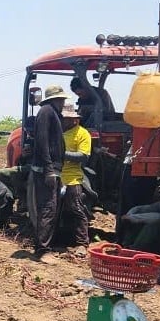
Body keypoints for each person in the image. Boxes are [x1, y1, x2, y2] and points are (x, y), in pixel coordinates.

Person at [29, 84, 70, 261]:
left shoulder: (52, 113)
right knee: (47, 208)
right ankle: (42, 251)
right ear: (56, 99)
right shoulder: (47, 112)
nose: (63, 103)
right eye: (61, 100)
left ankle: (45, 246)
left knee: (50, 208)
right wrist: (49, 169)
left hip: (53, 168)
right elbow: (42, 142)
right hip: (47, 169)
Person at [59, 108, 92, 254]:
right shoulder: (57, 132)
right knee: (52, 210)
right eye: (62, 118)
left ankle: (82, 244)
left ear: (75, 120)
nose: (63, 121)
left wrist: (62, 154)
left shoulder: (82, 134)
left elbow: (83, 156)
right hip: (54, 176)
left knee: (76, 208)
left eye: (66, 118)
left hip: (72, 177)